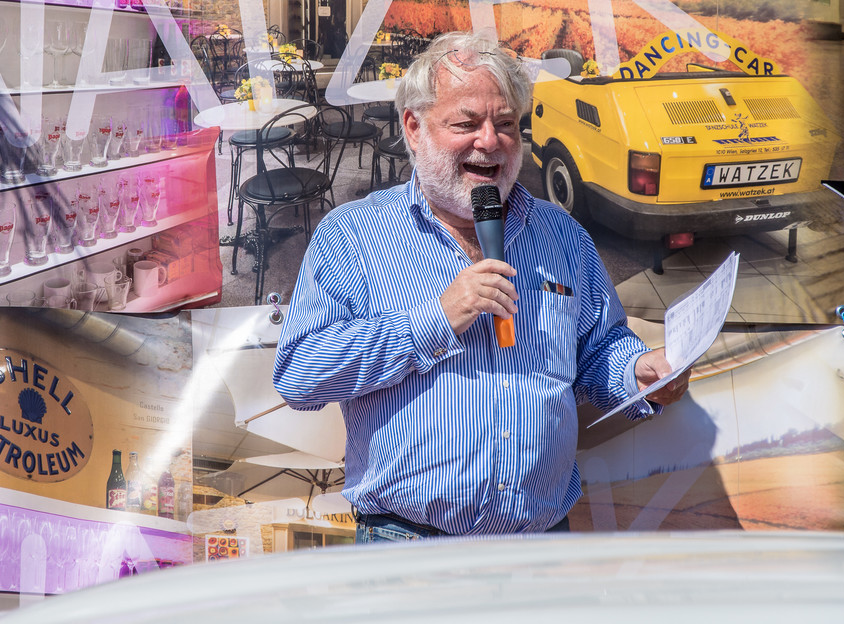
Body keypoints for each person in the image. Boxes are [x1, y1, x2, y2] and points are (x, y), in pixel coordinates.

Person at [273, 30, 691, 541]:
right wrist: (435, 322)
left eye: (507, 124)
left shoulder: (562, 234)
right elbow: (299, 377)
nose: (490, 142)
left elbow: (598, 348)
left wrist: (635, 372)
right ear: (414, 127)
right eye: (466, 123)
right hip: (406, 548)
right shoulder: (353, 235)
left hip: (539, 544)